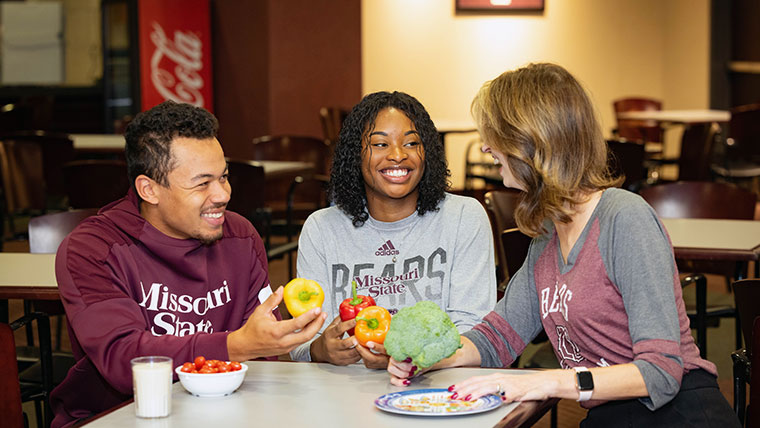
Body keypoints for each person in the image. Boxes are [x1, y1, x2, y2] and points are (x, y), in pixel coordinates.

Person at [387, 64, 740, 427]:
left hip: (680, 413)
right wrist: (430, 359)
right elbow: (497, 337)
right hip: (615, 415)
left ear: (531, 141)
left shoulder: (624, 218)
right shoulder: (546, 239)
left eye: (496, 136)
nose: (486, 147)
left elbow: (661, 372)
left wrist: (548, 381)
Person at [50, 101, 327, 428]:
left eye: (223, 177)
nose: (223, 194)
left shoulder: (240, 235)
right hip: (119, 417)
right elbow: (125, 360)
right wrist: (234, 345)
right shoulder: (93, 249)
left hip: (226, 414)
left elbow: (263, 355)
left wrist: (259, 344)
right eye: (202, 183)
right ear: (149, 189)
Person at [291, 91, 496, 368]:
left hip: (438, 389)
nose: (398, 155)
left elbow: (474, 328)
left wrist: (411, 359)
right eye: (380, 144)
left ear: (428, 153)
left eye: (411, 143)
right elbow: (301, 342)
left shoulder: (463, 217)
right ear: (355, 154)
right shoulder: (321, 229)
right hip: (342, 394)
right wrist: (321, 350)